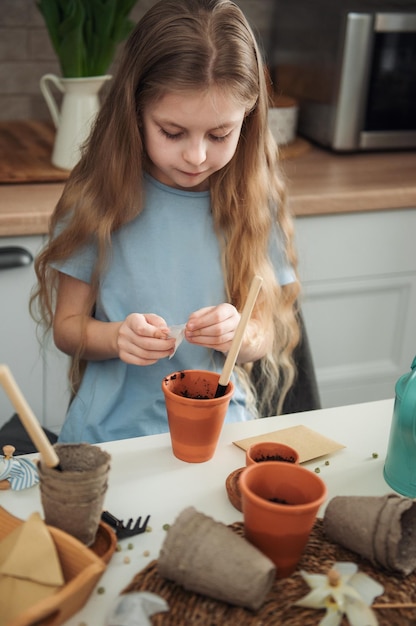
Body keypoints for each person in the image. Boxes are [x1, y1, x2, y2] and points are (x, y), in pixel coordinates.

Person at [31, 0, 301, 444]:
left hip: (218, 434)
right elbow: (67, 327)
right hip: (110, 437)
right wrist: (117, 336)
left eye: (219, 135)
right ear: (135, 112)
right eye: (173, 132)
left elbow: (262, 334)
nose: (196, 156)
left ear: (248, 121)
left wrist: (238, 333)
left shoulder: (253, 201)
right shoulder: (99, 198)